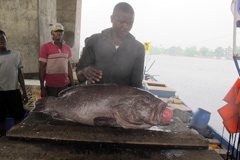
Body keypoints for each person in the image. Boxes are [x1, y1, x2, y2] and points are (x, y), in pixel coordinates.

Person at [76, 2, 145, 88]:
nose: (126, 26)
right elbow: (79, 76)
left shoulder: (138, 48)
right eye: (122, 22)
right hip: (96, 99)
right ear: (112, 19)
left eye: (130, 23)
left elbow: (137, 85)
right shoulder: (94, 41)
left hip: (122, 100)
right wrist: (84, 71)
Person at [0, 30, 28, 137]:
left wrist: (24, 92)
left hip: (14, 92)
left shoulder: (16, 55)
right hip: (0, 93)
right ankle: (2, 139)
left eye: (3, 38)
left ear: (7, 39)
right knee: (1, 119)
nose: (1, 41)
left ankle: (17, 137)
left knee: (18, 117)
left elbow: (20, 74)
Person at [39, 23, 75, 97]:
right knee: (51, 107)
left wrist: (73, 85)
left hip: (65, 85)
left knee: (64, 107)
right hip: (51, 86)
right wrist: (42, 88)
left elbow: (69, 67)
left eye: (60, 31)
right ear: (52, 33)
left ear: (63, 33)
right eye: (56, 31)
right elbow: (42, 68)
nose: (58, 33)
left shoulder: (67, 48)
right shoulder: (45, 47)